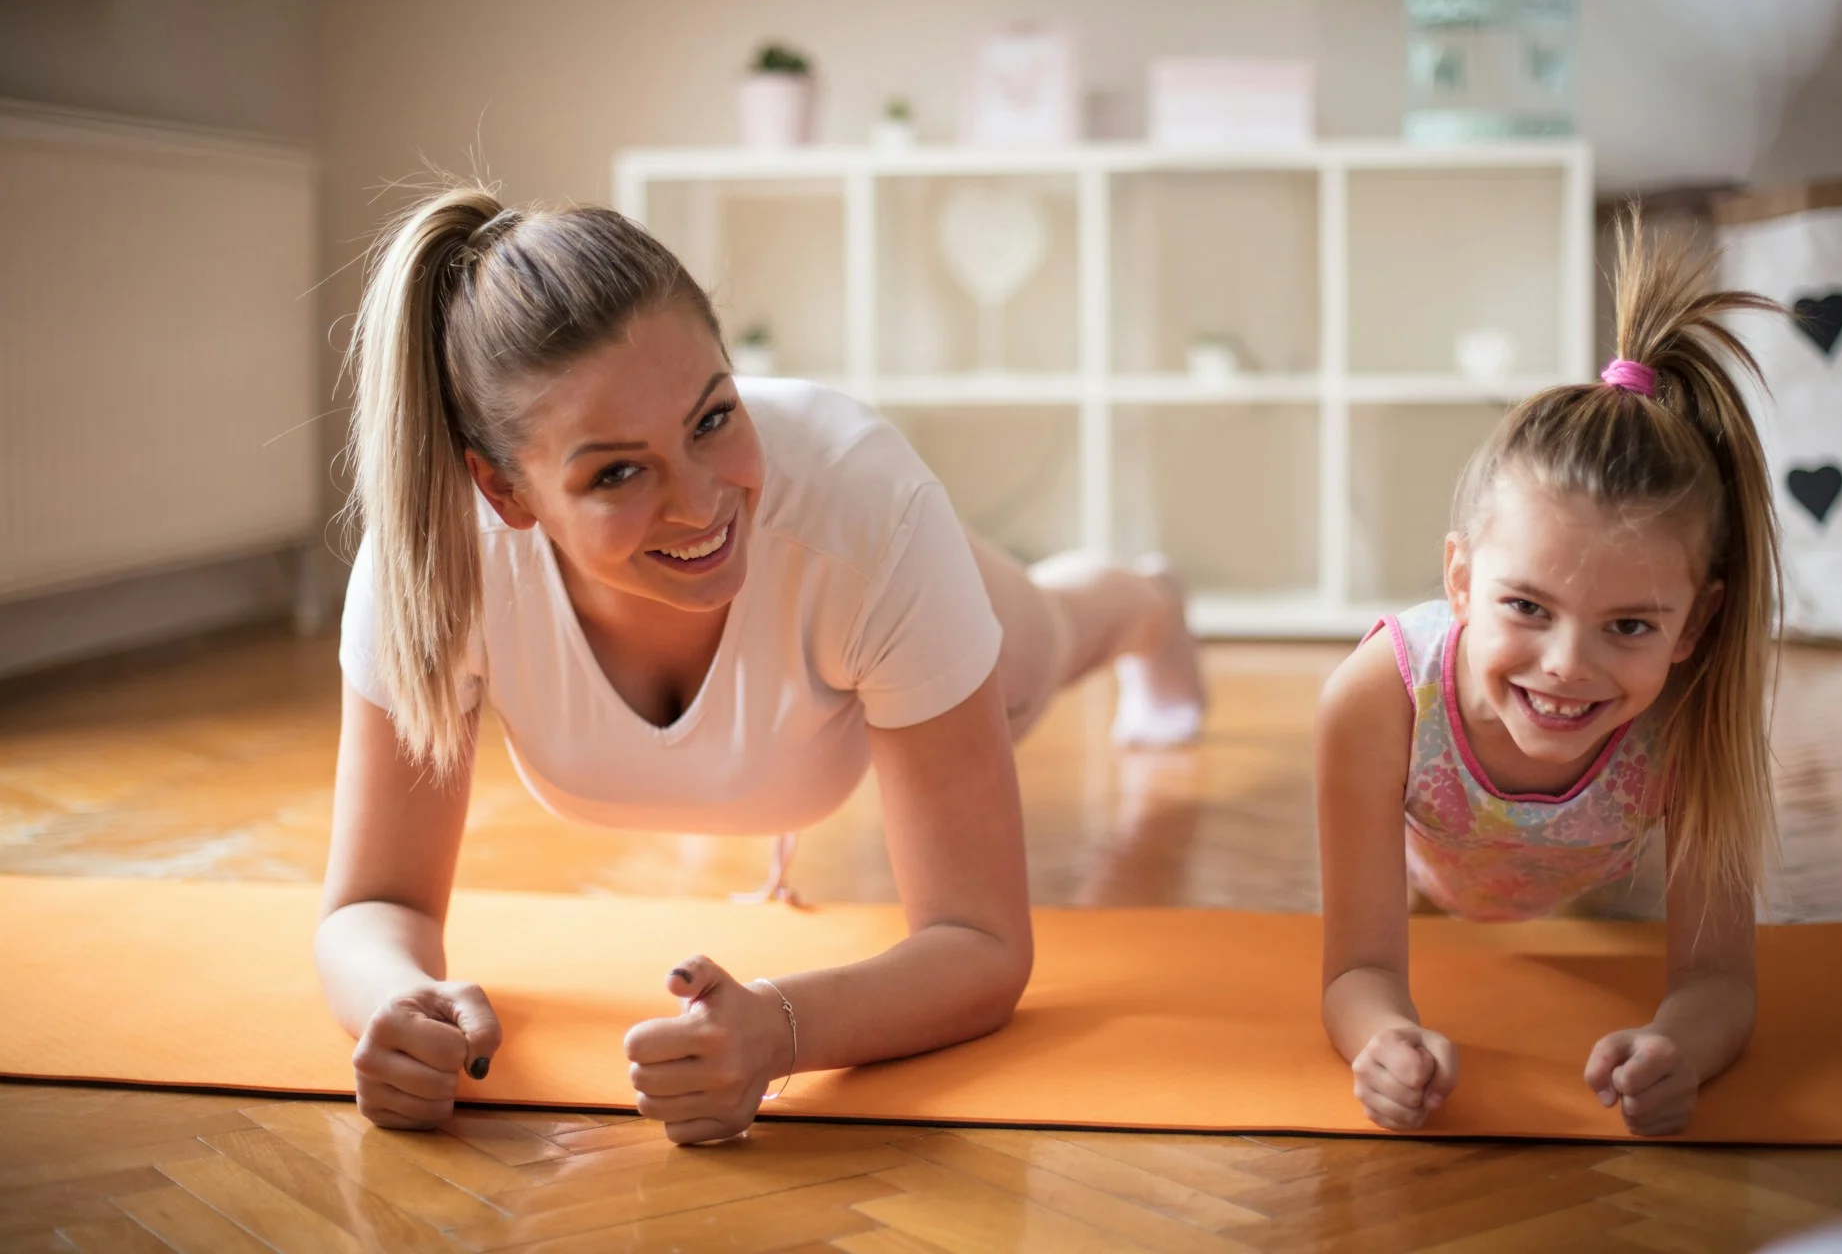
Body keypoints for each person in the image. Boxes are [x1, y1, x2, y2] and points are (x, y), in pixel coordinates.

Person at [318, 186, 1207, 1144]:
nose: (701, 503)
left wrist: (782, 1031)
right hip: (808, 692)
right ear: (503, 488)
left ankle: (1152, 602)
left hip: (900, 588)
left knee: (1060, 629)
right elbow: (376, 903)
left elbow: (982, 944)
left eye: (712, 419)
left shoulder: (865, 503)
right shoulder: (434, 564)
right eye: (617, 471)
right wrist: (395, 1000)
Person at [1315, 211, 1783, 1137]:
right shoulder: (1378, 698)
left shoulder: (1695, 722)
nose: (1568, 666)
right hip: (1426, 878)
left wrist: (1678, 1045)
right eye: (1526, 606)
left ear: (1697, 624)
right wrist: (1385, 1038)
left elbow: (1715, 979)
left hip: (1608, 885)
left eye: (1631, 625)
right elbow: (1354, 970)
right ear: (1458, 580)